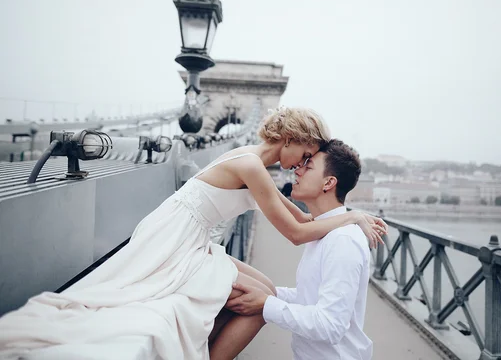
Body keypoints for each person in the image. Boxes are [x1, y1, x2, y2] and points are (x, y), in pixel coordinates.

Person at [0, 107, 387, 360]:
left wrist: (349, 215)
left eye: (310, 161)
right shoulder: (251, 166)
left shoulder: (255, 166)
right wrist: (350, 218)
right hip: (175, 239)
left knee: (264, 291)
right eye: (305, 153)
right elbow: (297, 235)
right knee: (260, 304)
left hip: (189, 238)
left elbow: (303, 222)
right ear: (289, 139)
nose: (303, 163)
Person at [226, 139, 373, 360]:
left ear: (329, 183)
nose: (297, 170)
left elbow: (330, 326)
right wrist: (266, 293)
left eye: (308, 166)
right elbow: (309, 298)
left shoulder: (343, 240)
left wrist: (266, 303)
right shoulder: (324, 231)